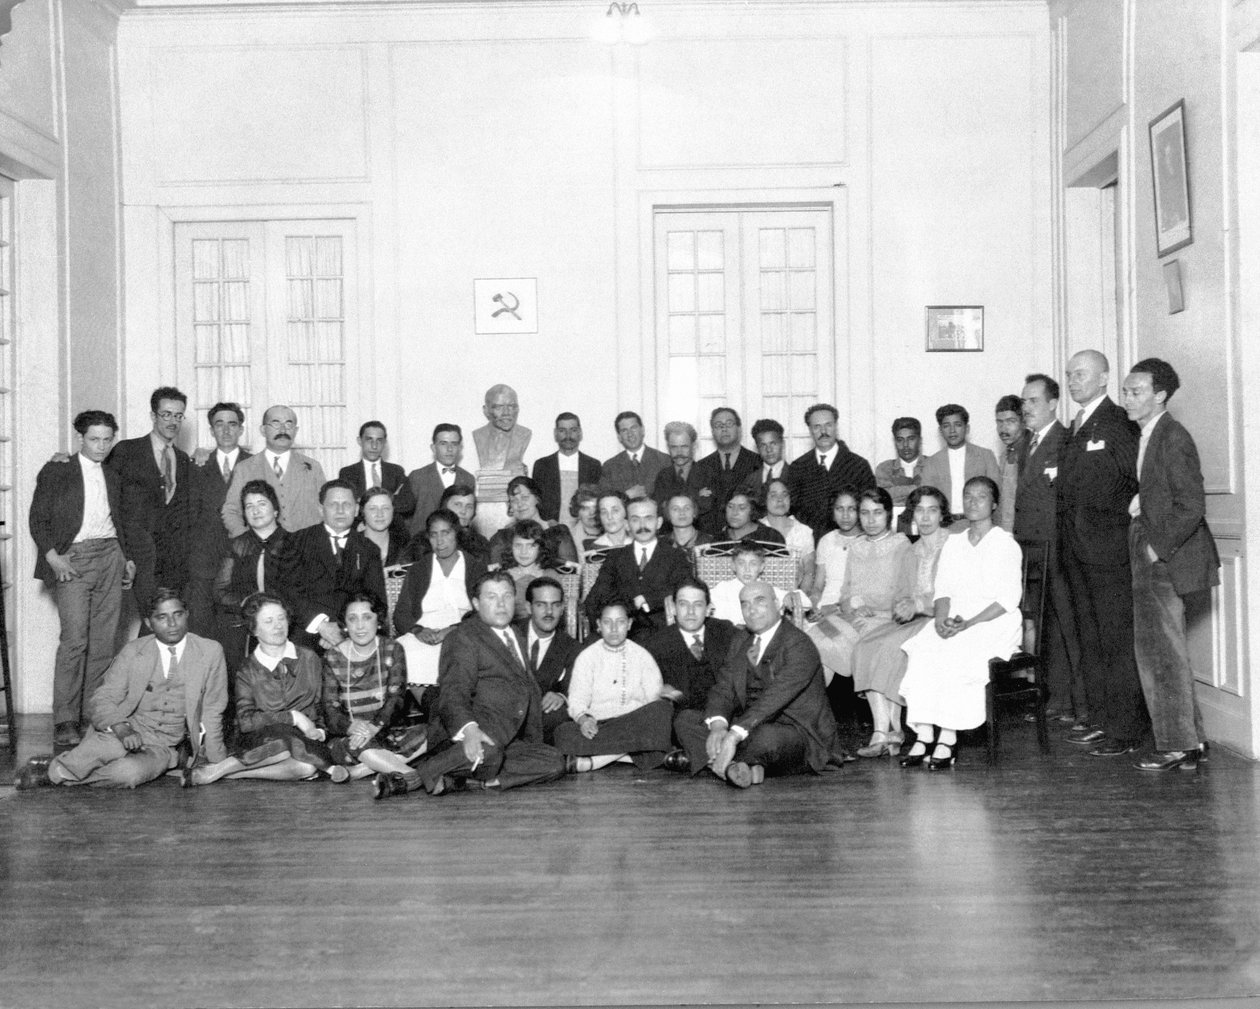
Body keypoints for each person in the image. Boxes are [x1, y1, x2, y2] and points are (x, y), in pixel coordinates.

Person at [371, 570, 567, 799]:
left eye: (506, 596)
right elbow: (452, 691)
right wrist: (470, 729)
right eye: (491, 597)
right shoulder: (463, 637)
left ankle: (465, 782)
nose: (501, 604)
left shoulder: (516, 634)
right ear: (476, 603)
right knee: (490, 753)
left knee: (554, 761)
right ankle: (413, 778)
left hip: (507, 736)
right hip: (471, 733)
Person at [15, 589, 228, 790]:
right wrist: (121, 728)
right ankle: (51, 772)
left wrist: (217, 763)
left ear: (187, 615)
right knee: (102, 750)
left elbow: (212, 710)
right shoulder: (134, 651)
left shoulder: (209, 651)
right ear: (149, 623)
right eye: (162, 618)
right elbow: (103, 698)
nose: (172, 624)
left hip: (163, 746)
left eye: (178, 615)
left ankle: (63, 772)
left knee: (127, 775)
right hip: (121, 733)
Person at [1122, 358, 1219, 771]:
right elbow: (1162, 493)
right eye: (1126, 391)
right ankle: (1191, 738)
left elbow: (1192, 505)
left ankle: (1177, 745)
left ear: (1160, 395)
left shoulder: (1172, 436)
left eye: (1136, 391)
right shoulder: (1150, 433)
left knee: (1160, 654)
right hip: (1153, 547)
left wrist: (1156, 549)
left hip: (1164, 557)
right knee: (1166, 650)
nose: (1127, 398)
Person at [898, 477, 1023, 770]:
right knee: (924, 645)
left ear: (994, 504)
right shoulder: (954, 543)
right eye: (968, 496)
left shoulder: (1005, 544)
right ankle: (925, 732)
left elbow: (1008, 599)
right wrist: (941, 620)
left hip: (995, 620)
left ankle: (949, 737)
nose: (973, 502)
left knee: (957, 650)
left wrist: (968, 624)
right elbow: (943, 590)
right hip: (956, 616)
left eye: (981, 497)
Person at [1058, 349, 1147, 757]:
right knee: (1091, 640)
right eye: (1070, 375)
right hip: (1078, 550)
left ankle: (1126, 731)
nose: (1073, 381)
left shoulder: (1117, 422)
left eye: (1081, 374)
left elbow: (1134, 479)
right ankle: (1103, 720)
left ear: (1104, 378)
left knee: (1115, 641)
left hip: (1108, 550)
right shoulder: (1078, 425)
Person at [28, 409, 135, 747]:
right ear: (80, 438)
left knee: (104, 642)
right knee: (75, 641)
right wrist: (52, 557)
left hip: (110, 556)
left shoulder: (114, 473)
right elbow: (38, 518)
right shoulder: (57, 470)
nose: (101, 446)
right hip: (73, 559)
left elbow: (121, 520)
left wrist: (127, 559)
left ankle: (94, 714)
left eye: (107, 439)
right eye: (94, 439)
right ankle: (65, 720)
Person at [673, 580, 845, 787]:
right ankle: (733, 767)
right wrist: (719, 727)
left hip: (795, 732)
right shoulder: (740, 640)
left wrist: (733, 735)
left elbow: (774, 698)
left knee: (765, 738)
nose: (751, 610)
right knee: (686, 719)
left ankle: (713, 759)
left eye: (759, 601)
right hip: (748, 725)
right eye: (745, 604)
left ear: (777, 605)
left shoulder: (800, 644)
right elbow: (723, 687)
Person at [190, 593, 347, 784]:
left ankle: (227, 772)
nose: (278, 626)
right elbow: (246, 721)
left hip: (307, 741)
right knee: (284, 738)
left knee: (307, 767)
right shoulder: (247, 669)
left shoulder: (310, 658)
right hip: (261, 743)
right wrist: (293, 717)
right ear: (254, 629)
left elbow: (323, 705)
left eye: (282, 619)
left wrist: (320, 732)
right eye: (269, 621)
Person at [850, 485, 951, 757]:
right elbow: (903, 593)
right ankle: (883, 731)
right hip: (917, 619)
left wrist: (917, 605)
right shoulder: (913, 550)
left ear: (943, 515)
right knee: (865, 645)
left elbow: (955, 594)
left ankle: (891, 730)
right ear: (912, 515)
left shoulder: (953, 545)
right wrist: (902, 604)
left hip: (944, 619)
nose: (926, 517)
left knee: (892, 647)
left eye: (933, 510)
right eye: (920, 510)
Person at [1014, 373, 1082, 725]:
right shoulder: (1028, 443)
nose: (1026, 408)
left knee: (1064, 626)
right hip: (1031, 552)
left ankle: (1077, 704)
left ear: (1053, 403)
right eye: (1023, 401)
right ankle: (1054, 699)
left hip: (1055, 550)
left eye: (1033, 401)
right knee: (1043, 628)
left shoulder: (1065, 440)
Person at [805, 487, 911, 685]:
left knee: (830, 645)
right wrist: (854, 605)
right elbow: (845, 592)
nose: (870, 520)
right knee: (812, 643)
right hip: (852, 615)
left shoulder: (901, 545)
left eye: (877, 512)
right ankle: (816, 711)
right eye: (865, 513)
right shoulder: (857, 546)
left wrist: (872, 610)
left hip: (885, 619)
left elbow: (904, 595)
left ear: (888, 514)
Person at [555, 601, 675, 772]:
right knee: (562, 733)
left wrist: (665, 698)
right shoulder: (587, 657)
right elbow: (577, 699)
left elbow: (654, 701)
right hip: (600, 727)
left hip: (634, 722)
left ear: (629, 624)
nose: (613, 628)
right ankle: (635, 754)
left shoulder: (642, 656)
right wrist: (584, 720)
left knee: (663, 710)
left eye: (620, 622)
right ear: (598, 625)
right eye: (607, 622)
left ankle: (594, 762)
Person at [321, 592, 426, 780]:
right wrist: (353, 727)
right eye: (352, 619)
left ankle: (361, 771)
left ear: (379, 621)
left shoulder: (393, 648)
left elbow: (397, 698)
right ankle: (415, 777)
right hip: (351, 738)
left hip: (386, 731)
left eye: (367, 617)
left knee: (438, 728)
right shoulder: (332, 657)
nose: (360, 626)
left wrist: (374, 727)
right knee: (358, 745)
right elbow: (330, 710)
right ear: (345, 625)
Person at [107, 385, 194, 611]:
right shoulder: (126, 451)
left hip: (172, 562)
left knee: (164, 620)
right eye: (166, 414)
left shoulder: (184, 460)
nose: (173, 421)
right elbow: (105, 497)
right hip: (136, 557)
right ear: (153, 416)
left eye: (178, 415)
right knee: (151, 615)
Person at [276, 479, 386, 651]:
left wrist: (343, 630)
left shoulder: (369, 549)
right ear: (321, 509)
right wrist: (322, 626)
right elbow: (289, 591)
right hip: (307, 630)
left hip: (353, 631)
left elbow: (375, 599)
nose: (340, 511)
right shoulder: (297, 541)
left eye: (346, 504)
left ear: (357, 509)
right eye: (333, 504)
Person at [392, 508, 488, 701]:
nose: (440, 541)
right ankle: (431, 706)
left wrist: (453, 629)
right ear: (428, 538)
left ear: (457, 534)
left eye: (446, 533)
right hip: (424, 632)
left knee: (461, 656)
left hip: (463, 631)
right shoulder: (418, 569)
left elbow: (484, 611)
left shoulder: (476, 567)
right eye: (434, 535)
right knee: (402, 651)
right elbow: (400, 614)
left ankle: (447, 710)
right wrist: (418, 630)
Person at [645, 579, 737, 771]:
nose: (690, 612)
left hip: (726, 713)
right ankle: (727, 765)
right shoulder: (656, 644)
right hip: (688, 716)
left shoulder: (726, 632)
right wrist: (662, 692)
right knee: (682, 723)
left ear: (709, 609)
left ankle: (702, 757)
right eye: (683, 604)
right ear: (673, 608)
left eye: (698, 605)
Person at [186, 401, 251, 643]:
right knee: (202, 631)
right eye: (219, 424)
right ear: (211, 430)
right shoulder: (195, 464)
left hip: (242, 561)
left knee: (237, 632)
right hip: (203, 562)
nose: (226, 431)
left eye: (232, 424)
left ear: (241, 429)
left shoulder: (254, 464)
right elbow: (187, 516)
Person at [584, 496, 692, 641]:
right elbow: (596, 597)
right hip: (620, 634)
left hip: (663, 635)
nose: (642, 525)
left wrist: (647, 599)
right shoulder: (615, 557)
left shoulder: (675, 556)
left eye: (648, 518)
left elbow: (684, 591)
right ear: (627, 524)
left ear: (658, 522)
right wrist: (631, 605)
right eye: (635, 520)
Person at [214, 480, 292, 666]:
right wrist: (250, 605)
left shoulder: (294, 544)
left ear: (275, 510)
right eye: (249, 506)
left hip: (286, 623)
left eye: (262, 504)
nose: (255, 511)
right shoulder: (237, 545)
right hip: (245, 624)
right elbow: (220, 591)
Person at [222, 404, 327, 537]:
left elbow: (327, 508)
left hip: (306, 550)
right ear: (263, 430)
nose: (283, 429)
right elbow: (231, 511)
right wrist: (246, 540)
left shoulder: (313, 467)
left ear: (295, 430)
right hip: (263, 551)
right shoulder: (245, 468)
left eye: (289, 424)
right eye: (275, 423)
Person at [785, 403, 875, 541]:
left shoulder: (859, 465)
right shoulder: (798, 467)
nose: (823, 431)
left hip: (852, 542)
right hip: (811, 544)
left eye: (828, 425)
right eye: (817, 427)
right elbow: (793, 510)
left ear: (836, 426)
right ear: (810, 430)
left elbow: (868, 507)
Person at [515, 576, 579, 744]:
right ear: (529, 607)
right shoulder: (510, 633)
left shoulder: (571, 647)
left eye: (555, 605)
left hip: (540, 718)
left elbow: (575, 686)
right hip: (505, 710)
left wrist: (561, 696)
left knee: (560, 717)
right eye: (541, 605)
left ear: (563, 608)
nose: (549, 612)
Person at [919, 404, 1001, 522]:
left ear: (967, 428)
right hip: (945, 525)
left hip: (979, 523)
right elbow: (927, 499)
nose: (952, 430)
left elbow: (996, 496)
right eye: (946, 426)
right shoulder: (931, 462)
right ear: (940, 431)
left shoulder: (985, 456)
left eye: (957, 425)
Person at [471, 384, 532, 537]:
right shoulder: (477, 436)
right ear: (486, 411)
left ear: (517, 409)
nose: (506, 413)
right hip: (485, 514)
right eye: (498, 407)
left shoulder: (524, 435)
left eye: (511, 406)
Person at [486, 475, 578, 569]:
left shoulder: (558, 532)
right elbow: (495, 576)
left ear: (537, 499)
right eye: (514, 500)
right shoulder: (502, 538)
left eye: (525, 498)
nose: (520, 504)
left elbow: (571, 574)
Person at [337, 420, 416, 530]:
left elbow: (408, 504)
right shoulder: (348, 473)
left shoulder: (396, 471)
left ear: (385, 443)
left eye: (379, 440)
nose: (374, 446)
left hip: (391, 531)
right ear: (360, 441)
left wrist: (362, 503)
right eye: (369, 440)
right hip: (359, 531)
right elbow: (347, 506)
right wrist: (392, 499)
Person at [696, 407, 760, 535]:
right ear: (713, 432)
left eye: (729, 424)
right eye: (718, 425)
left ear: (739, 429)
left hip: (750, 537)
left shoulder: (757, 462)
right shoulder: (700, 467)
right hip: (712, 538)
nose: (724, 429)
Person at [405, 423, 474, 537]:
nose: (449, 449)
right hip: (423, 544)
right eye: (443, 444)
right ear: (433, 448)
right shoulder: (417, 476)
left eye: (454, 444)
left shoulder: (468, 478)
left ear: (460, 448)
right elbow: (407, 519)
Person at [532, 412, 602, 523]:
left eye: (573, 430)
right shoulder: (542, 466)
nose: (568, 436)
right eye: (562, 430)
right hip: (551, 532)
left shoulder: (593, 465)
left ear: (580, 433)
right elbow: (536, 502)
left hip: (584, 530)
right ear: (555, 434)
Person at [804, 487, 863, 617]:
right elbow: (818, 586)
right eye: (839, 509)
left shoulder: (867, 542)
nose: (845, 515)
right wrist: (813, 605)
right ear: (833, 512)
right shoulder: (826, 540)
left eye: (851, 509)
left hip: (855, 608)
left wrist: (838, 608)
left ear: (859, 511)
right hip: (825, 607)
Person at [709, 541, 791, 626]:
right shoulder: (723, 588)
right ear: (733, 565)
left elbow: (803, 601)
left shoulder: (767, 589)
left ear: (761, 567)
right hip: (730, 633)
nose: (747, 569)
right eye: (741, 563)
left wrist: (791, 596)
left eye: (753, 564)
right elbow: (705, 598)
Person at [652, 421, 716, 529]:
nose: (679, 452)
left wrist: (671, 504)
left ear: (694, 446)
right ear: (668, 447)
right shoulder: (663, 475)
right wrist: (696, 495)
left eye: (684, 446)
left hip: (701, 535)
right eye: (674, 447)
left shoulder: (707, 473)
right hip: (669, 538)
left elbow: (705, 505)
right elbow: (659, 509)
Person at [503, 519, 567, 620]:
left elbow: (559, 610)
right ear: (511, 547)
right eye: (518, 545)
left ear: (540, 548)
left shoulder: (550, 575)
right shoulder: (505, 578)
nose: (523, 552)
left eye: (531, 546)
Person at [600, 411, 671, 500]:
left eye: (633, 428)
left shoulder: (664, 461)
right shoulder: (609, 467)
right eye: (624, 430)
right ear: (619, 437)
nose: (630, 434)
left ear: (642, 430)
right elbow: (605, 500)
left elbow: (670, 498)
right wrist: (626, 496)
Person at [760, 478, 815, 588]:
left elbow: (810, 570)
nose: (780, 500)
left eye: (784, 495)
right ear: (764, 500)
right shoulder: (756, 529)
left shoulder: (803, 531)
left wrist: (801, 597)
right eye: (774, 495)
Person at [874, 417, 925, 512]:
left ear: (920, 440)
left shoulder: (933, 464)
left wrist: (898, 491)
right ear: (895, 442)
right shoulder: (884, 468)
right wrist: (917, 487)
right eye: (900, 440)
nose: (905, 445)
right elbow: (884, 498)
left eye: (911, 439)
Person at [357, 486, 414, 571]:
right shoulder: (350, 546)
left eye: (385, 508)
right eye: (373, 509)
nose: (380, 514)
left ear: (393, 511)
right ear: (363, 512)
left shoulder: (405, 545)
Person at [994, 394, 1027, 531]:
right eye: (999, 422)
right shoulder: (1004, 456)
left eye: (1010, 421)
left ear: (1023, 422)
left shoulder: (1033, 453)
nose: (1003, 428)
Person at [435, 482, 491, 562]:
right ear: (444, 507)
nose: (463, 511)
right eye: (457, 505)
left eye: (469, 507)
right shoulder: (428, 541)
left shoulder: (482, 543)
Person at [748, 418, 788, 499]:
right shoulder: (749, 480)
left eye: (773, 443)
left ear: (782, 444)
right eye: (763, 445)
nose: (769, 450)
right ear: (757, 448)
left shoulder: (797, 477)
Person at [664, 492, 712, 559]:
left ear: (694, 512)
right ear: (668, 514)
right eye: (675, 509)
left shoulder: (710, 543)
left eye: (687, 508)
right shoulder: (661, 544)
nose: (682, 512)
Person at [565, 484, 605, 561]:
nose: (592, 513)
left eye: (595, 507)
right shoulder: (570, 539)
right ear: (577, 512)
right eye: (585, 508)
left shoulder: (614, 531)